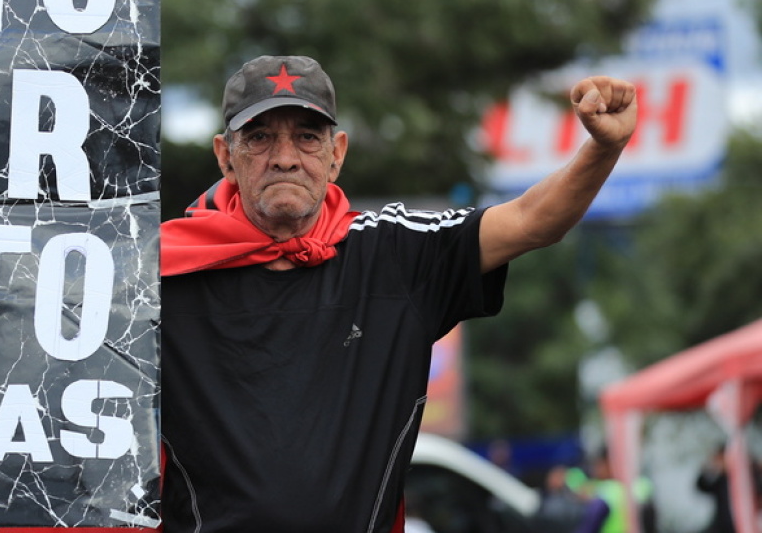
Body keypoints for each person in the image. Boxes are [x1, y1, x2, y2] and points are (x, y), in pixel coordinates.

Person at [159, 55, 637, 532]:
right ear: (225, 156)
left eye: (307, 136)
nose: (285, 157)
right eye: (260, 137)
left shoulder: (393, 254)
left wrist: (603, 148)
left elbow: (531, 221)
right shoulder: (159, 273)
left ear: (336, 154)